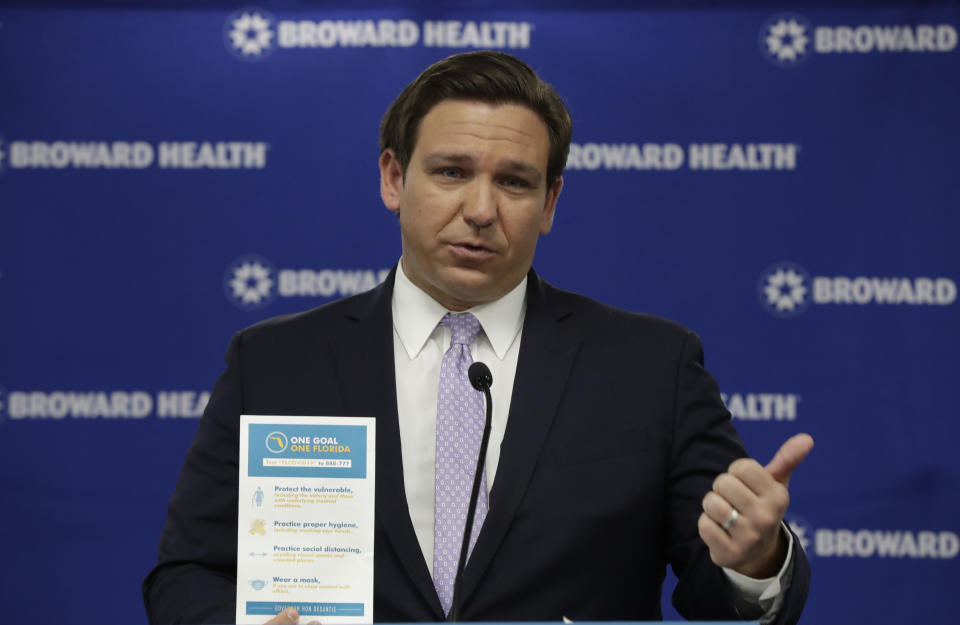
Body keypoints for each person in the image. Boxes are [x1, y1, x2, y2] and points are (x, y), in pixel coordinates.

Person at [143, 50, 812, 625]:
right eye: (452, 172)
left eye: (515, 182)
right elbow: (186, 574)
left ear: (549, 204)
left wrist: (753, 559)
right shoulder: (276, 362)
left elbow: (720, 583)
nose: (482, 210)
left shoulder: (650, 367)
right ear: (393, 179)